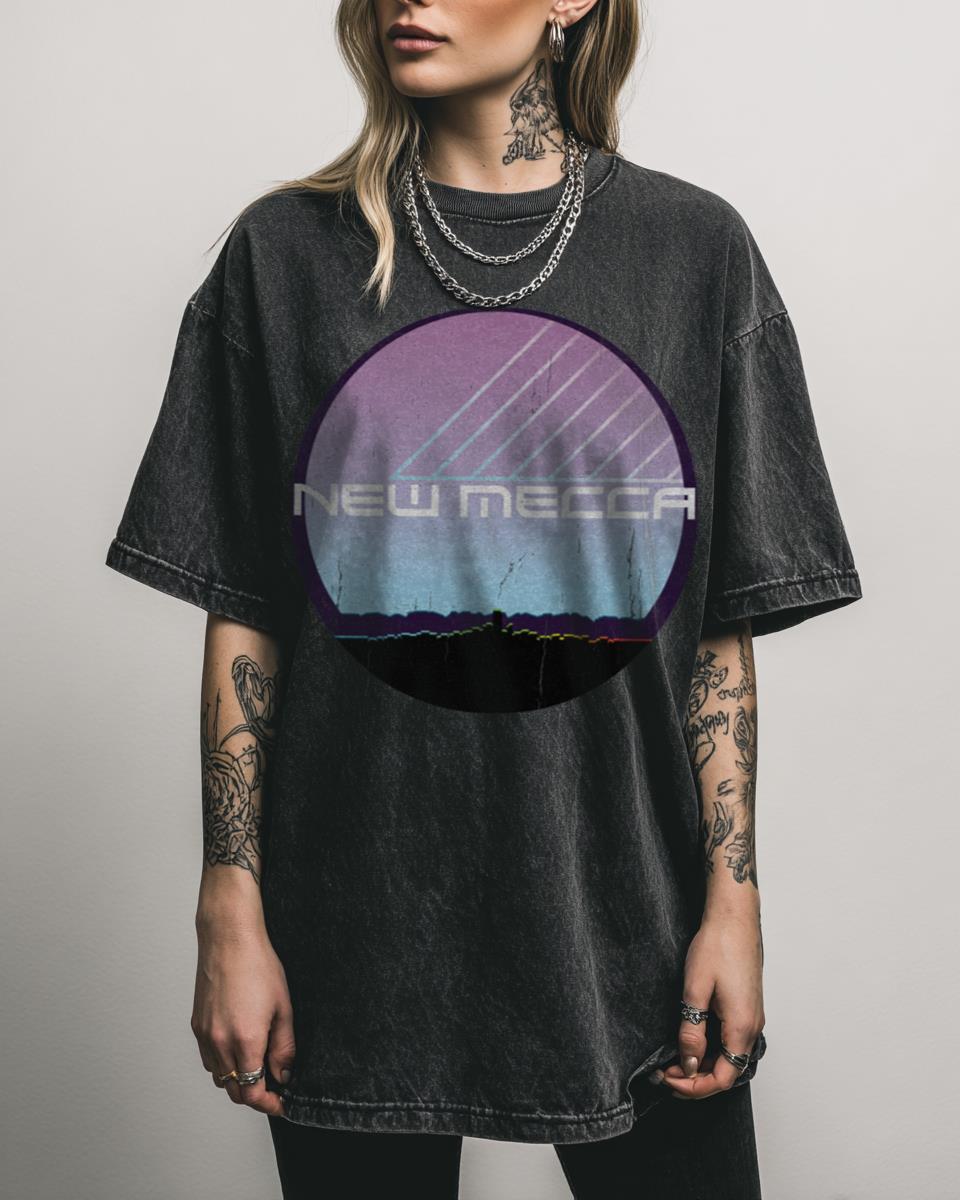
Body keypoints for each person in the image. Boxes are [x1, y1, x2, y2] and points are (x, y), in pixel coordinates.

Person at [104, 1, 863, 1196]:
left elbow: (716, 632)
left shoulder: (693, 253)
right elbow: (246, 608)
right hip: (351, 927)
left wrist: (734, 902)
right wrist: (229, 905)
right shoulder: (284, 256)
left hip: (630, 920)